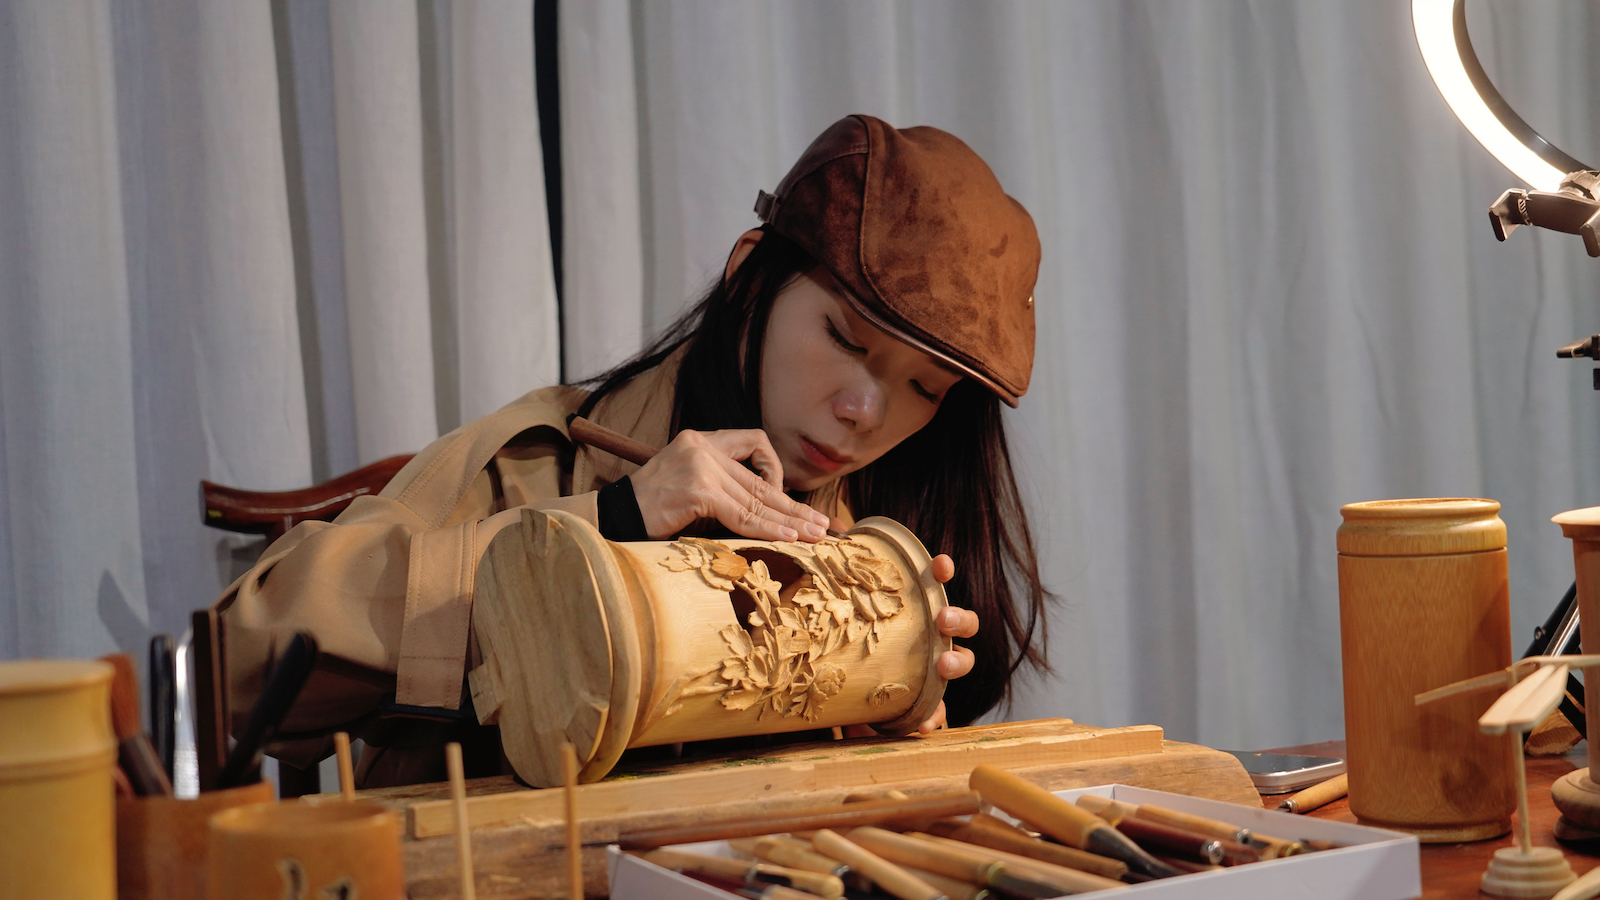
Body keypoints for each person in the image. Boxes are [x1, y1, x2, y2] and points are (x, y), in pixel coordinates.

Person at [216, 114, 1049, 787]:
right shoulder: (542, 461)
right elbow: (239, 662)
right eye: (843, 337)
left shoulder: (884, 537)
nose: (864, 412)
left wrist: (882, 733)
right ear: (749, 278)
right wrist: (611, 521)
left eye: (926, 389)